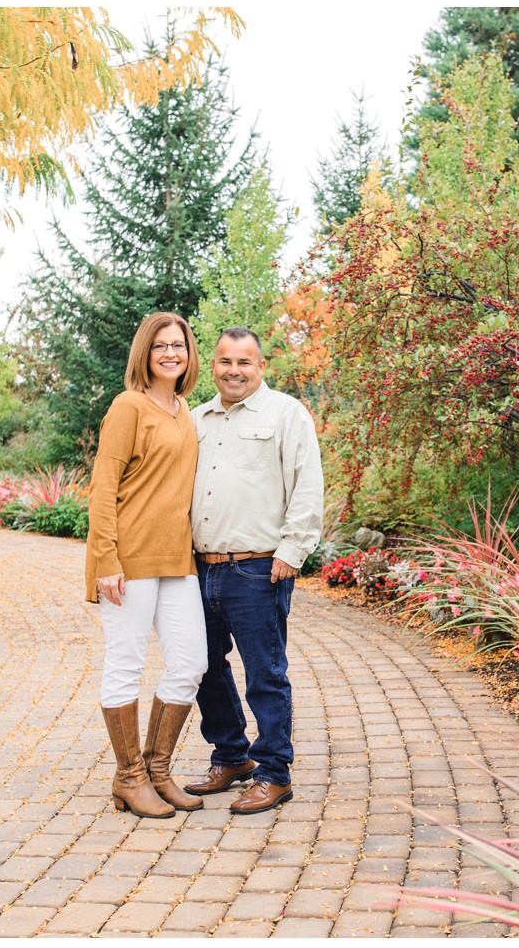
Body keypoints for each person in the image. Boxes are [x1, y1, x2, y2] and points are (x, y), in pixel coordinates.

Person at [184, 327, 324, 814]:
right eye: (225, 361)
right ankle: (230, 756)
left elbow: (307, 485)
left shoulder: (285, 414)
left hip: (259, 568)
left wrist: (292, 550)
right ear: (214, 365)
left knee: (265, 672)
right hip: (199, 568)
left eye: (244, 362)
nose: (233, 370)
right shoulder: (197, 418)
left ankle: (273, 772)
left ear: (261, 366)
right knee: (201, 667)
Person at [85, 311, 209, 818]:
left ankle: (158, 772)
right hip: (128, 560)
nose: (170, 353)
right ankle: (129, 777)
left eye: (178, 344)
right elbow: (103, 487)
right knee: (126, 664)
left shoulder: (185, 411)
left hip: (177, 559)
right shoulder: (128, 406)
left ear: (188, 353)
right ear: (145, 353)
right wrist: (105, 559)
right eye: (160, 346)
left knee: (190, 662)